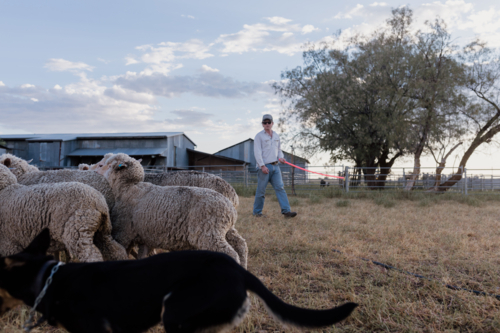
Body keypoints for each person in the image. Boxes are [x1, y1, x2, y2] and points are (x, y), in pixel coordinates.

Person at [253, 114, 297, 218]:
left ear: (272, 123)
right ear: (262, 124)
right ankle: (257, 213)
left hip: (276, 166)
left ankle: (286, 211)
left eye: (269, 122)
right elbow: (257, 152)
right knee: (261, 191)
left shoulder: (276, 136)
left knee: (280, 188)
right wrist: (262, 166)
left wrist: (281, 158)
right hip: (264, 167)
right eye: (265, 122)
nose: (267, 124)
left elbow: (279, 150)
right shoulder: (259, 136)